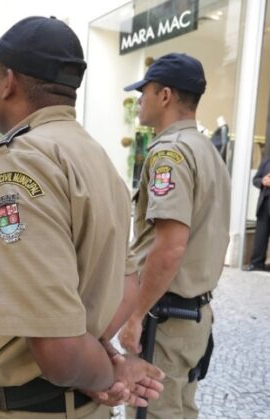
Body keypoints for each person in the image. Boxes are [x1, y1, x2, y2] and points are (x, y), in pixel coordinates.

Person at [0, 16, 165, 419]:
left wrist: (107, 373)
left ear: (7, 81)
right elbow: (127, 286)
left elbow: (59, 351)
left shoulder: (21, 164)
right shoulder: (98, 160)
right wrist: (105, 359)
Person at [119, 53, 231, 418]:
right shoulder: (207, 151)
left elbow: (170, 246)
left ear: (164, 95)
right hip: (194, 316)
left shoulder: (170, 153)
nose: (140, 100)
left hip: (165, 321)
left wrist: (135, 315)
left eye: (145, 92)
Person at [245, 157, 270, 271]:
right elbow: (256, 179)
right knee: (261, 236)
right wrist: (263, 181)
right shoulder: (266, 161)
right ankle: (256, 264)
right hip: (264, 205)